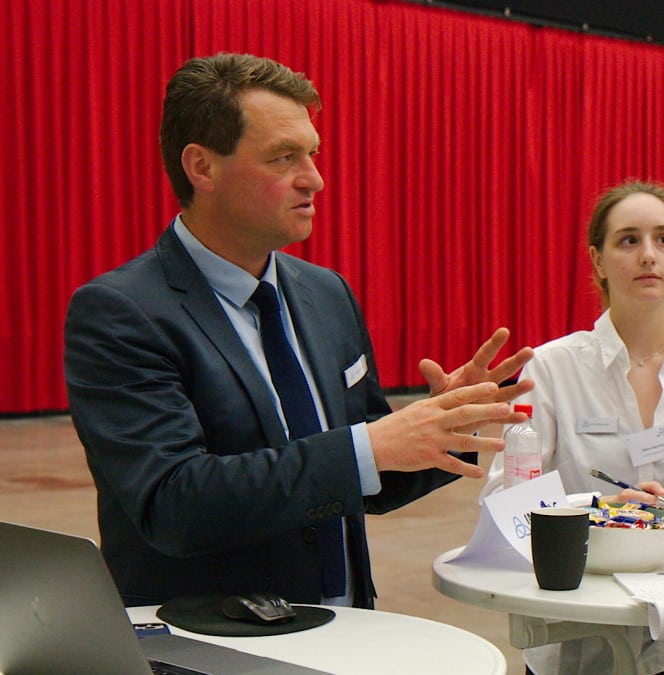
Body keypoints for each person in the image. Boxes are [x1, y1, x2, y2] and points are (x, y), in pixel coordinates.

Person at [63, 53, 533, 609]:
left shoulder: (325, 293)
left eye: (313, 154)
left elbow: (361, 473)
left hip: (348, 629)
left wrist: (441, 425)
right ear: (202, 168)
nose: (315, 179)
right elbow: (173, 504)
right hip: (211, 638)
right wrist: (368, 447)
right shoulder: (121, 313)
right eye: (284, 157)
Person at [481, 180, 664, 675]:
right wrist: (599, 509)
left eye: (663, 239)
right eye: (629, 240)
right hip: (579, 643)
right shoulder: (551, 369)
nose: (648, 254)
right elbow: (504, 505)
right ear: (598, 261)